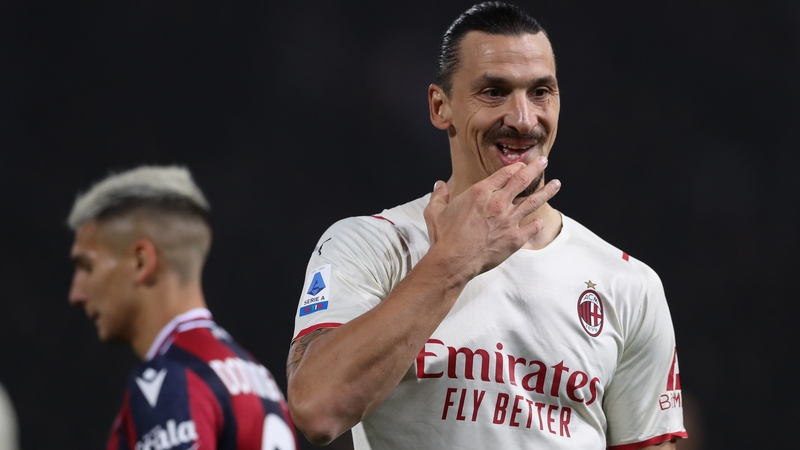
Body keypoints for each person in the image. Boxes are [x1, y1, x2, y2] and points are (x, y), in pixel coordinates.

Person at [286, 2, 686, 449]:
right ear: (441, 106)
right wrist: (451, 262)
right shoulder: (372, 245)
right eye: (494, 92)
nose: (522, 119)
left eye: (540, 92)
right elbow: (317, 410)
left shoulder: (628, 283)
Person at [68, 166, 297, 450]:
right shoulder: (260, 380)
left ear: (141, 262)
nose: (75, 294)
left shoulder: (170, 379)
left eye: (86, 266)